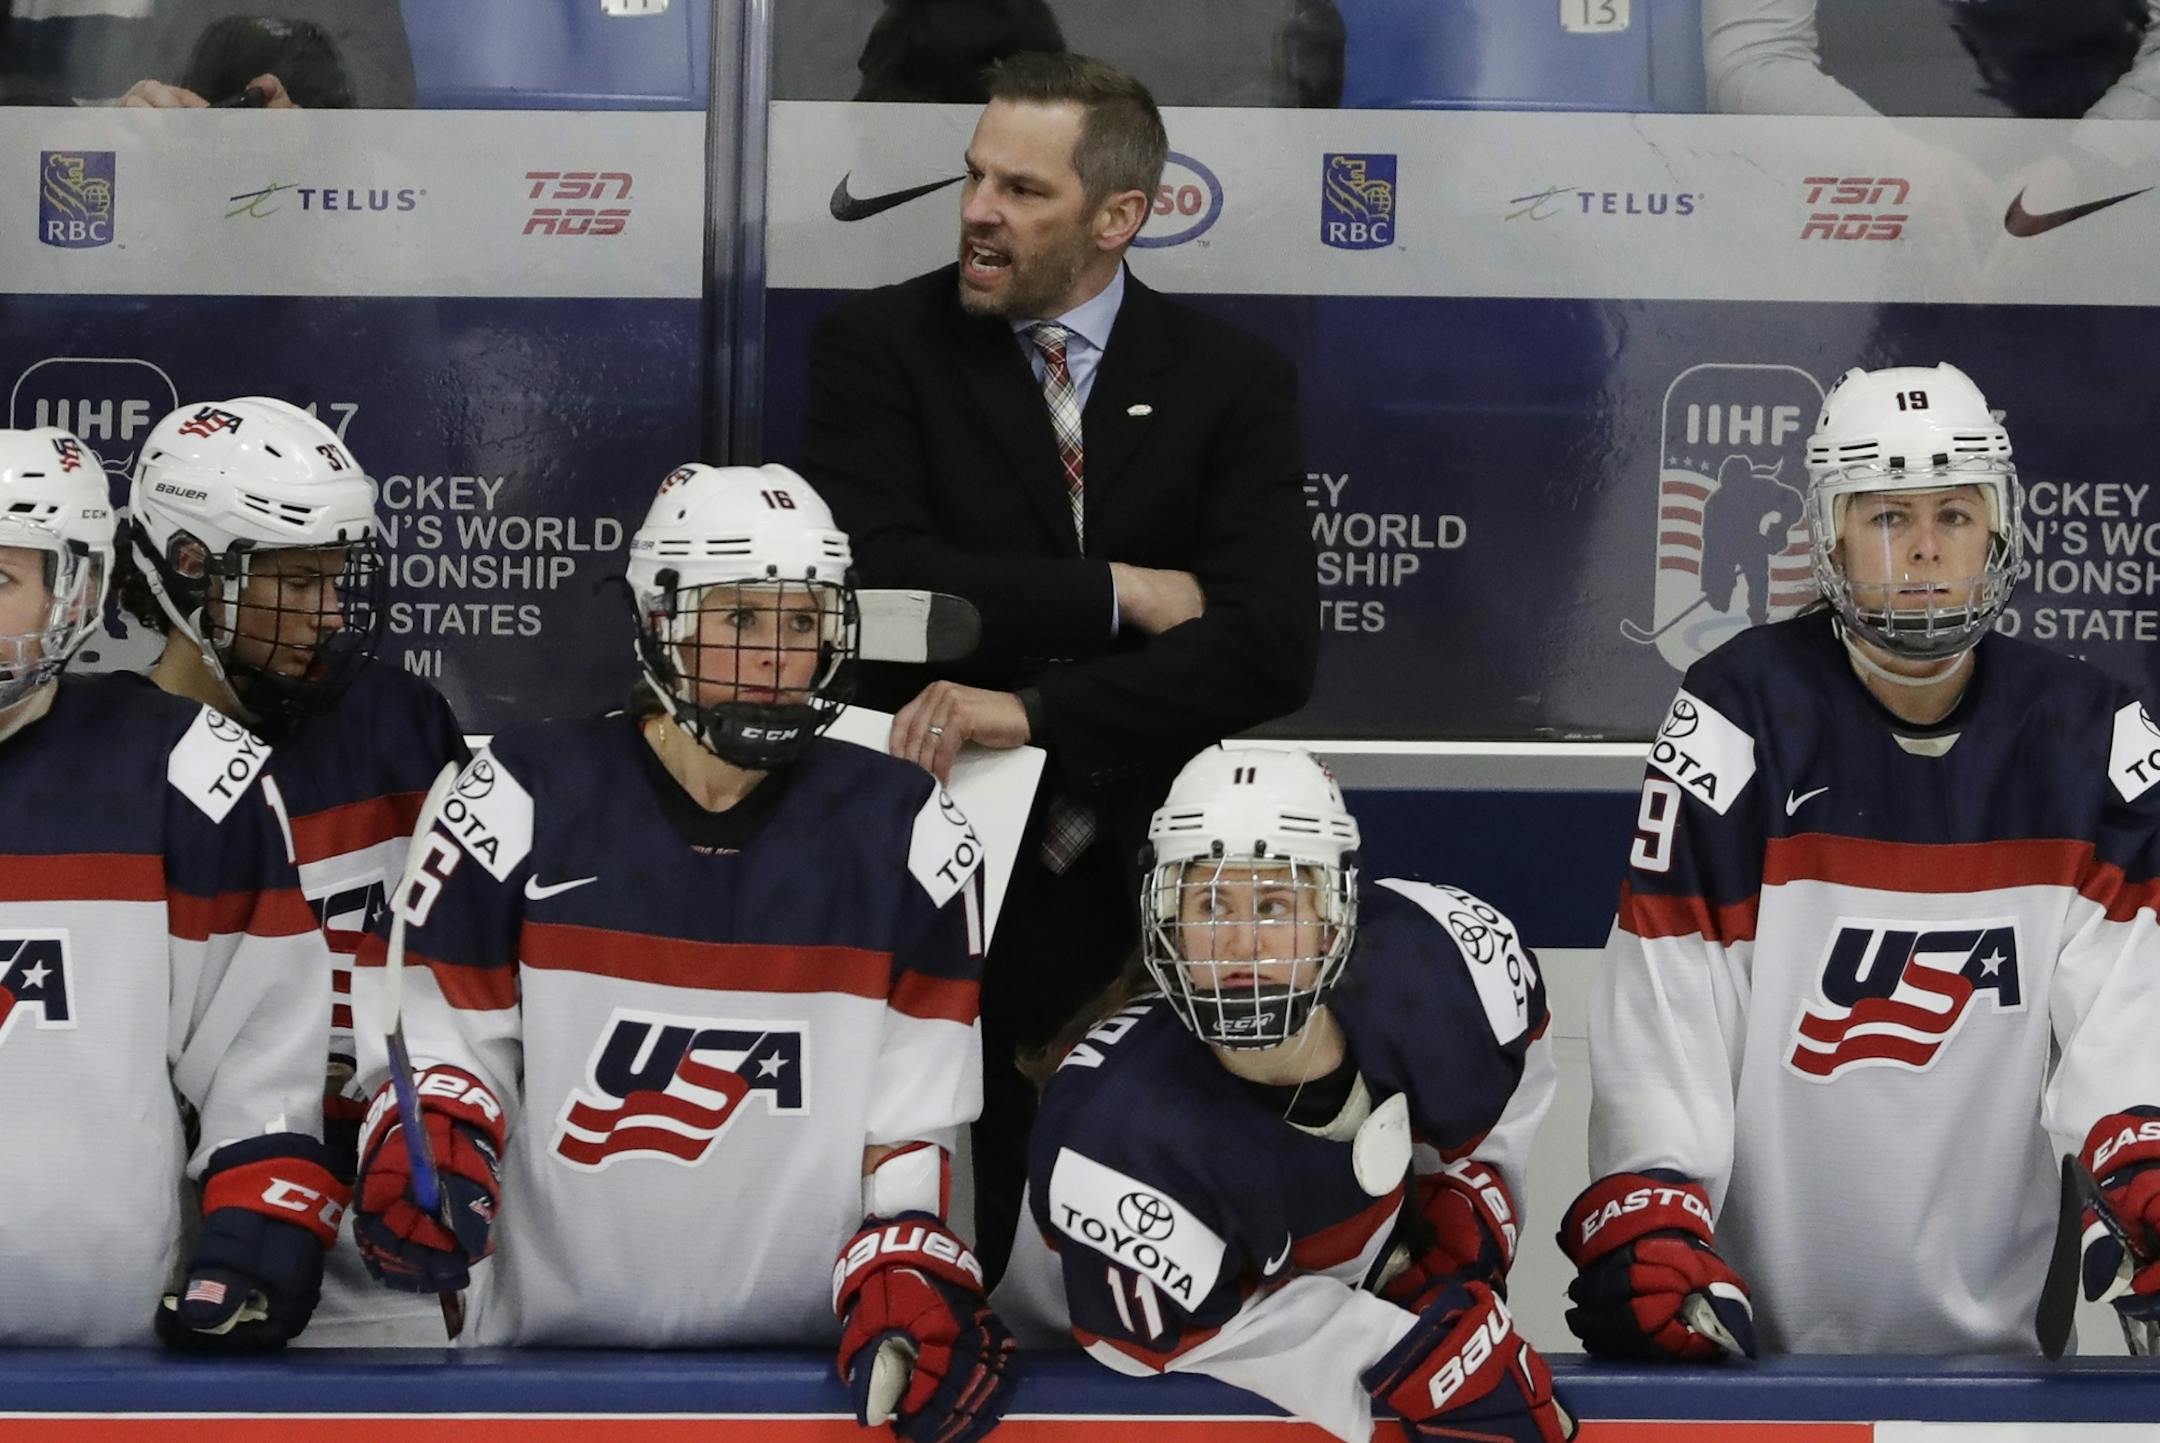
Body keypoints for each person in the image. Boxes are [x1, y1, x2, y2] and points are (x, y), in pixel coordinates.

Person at [346, 463, 1012, 1439]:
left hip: (812, 1384)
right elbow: (443, 1053)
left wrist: (907, 1263)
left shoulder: (910, 831)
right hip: (538, 1370)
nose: (775, 656)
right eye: (738, 618)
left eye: (802, 622)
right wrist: (431, 1146)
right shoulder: (517, 795)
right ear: (657, 621)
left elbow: (913, 1122)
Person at [800, 50, 1318, 1283]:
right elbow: (882, 589)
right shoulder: (878, 348)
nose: (979, 211)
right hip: (940, 880)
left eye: (1024, 191)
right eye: (976, 176)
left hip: (1148, 892)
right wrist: (1120, 592)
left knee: (1142, 1262)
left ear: (1118, 217)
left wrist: (1031, 708)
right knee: (931, 1245)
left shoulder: (1233, 381)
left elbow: (1268, 649)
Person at [1568, 362, 2160, 1357]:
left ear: (1998, 529)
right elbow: (1669, 998)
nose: (1926, 548)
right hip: (1754, 1349)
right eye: (1888, 516)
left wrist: (2142, 1162)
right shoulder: (1739, 714)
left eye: (1954, 514)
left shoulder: (2089, 732)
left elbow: (2130, 1007)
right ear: (1830, 536)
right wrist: (1654, 1200)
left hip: (2003, 1356)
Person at [1016, 744, 1570, 1443]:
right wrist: (1393, 1351)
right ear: (1168, 923)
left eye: (1274, 904)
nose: (1242, 943)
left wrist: (1473, 1192)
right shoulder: (1117, 1131)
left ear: (1335, 917)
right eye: (1210, 904)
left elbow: (1516, 1066)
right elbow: (1151, 1345)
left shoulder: (1440, 969)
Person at [121, 395, 468, 1344]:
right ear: (189, 567)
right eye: (298, 582)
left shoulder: (400, 724)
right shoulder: (111, 766)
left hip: (392, 1248)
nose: (332, 613)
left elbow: (473, 975)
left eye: (338, 578)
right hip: (193, 1251)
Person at [0, 426, 341, 1348]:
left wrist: (256, 1230)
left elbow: (260, 1046)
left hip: (104, 1357)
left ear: (75, 592)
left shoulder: (187, 770)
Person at [1705, 0, 2160, 118]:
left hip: (2102, 201)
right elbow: (1754, 60)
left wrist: (2083, 163)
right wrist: (1904, 171)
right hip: (1862, 210)